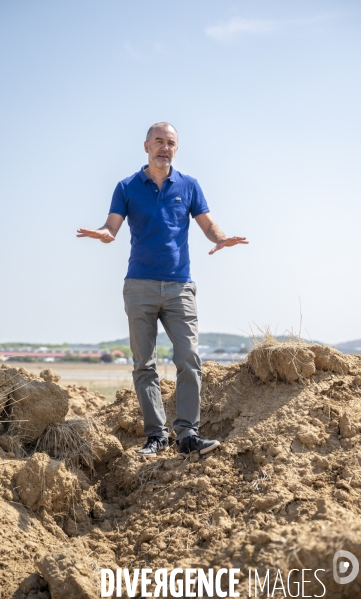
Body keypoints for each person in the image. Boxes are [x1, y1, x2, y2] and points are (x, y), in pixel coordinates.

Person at [77, 122, 248, 458]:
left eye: (170, 143)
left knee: (189, 358)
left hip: (179, 286)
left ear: (176, 148)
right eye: (159, 141)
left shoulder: (189, 185)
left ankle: (187, 435)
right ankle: (156, 436)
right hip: (139, 285)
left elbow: (208, 224)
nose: (164, 148)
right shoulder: (126, 186)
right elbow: (111, 225)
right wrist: (104, 234)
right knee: (144, 364)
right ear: (146, 146)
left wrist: (221, 238)